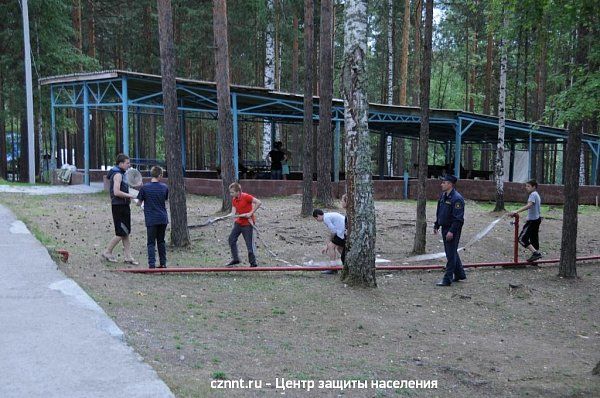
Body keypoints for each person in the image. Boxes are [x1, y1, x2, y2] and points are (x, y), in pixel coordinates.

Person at [102, 153, 139, 265]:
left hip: (124, 205)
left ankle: (128, 257)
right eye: (127, 163)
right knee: (121, 232)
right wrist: (130, 196)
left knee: (126, 232)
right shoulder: (117, 174)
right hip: (119, 206)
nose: (129, 165)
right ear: (121, 163)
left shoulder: (122, 173)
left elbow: (125, 187)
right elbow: (116, 192)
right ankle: (107, 252)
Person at [433, 174, 466, 286]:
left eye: (444, 182)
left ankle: (447, 279)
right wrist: (436, 224)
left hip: (452, 229)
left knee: (450, 254)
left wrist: (451, 231)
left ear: (450, 184)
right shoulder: (443, 196)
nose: (441, 184)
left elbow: (458, 219)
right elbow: (440, 212)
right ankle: (460, 274)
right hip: (444, 227)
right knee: (451, 252)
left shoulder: (457, 199)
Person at [136, 166, 169, 269]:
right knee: (161, 241)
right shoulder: (164, 187)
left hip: (151, 219)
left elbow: (139, 203)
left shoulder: (145, 187)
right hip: (163, 218)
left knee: (151, 242)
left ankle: (151, 264)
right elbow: (165, 199)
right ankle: (163, 263)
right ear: (159, 175)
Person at [227, 182, 262, 267]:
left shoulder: (246, 197)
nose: (231, 194)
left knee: (249, 245)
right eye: (230, 192)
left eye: (232, 192)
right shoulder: (234, 199)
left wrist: (250, 213)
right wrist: (229, 216)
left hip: (247, 224)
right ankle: (236, 259)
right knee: (231, 239)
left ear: (238, 191)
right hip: (239, 223)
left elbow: (258, 202)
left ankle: (253, 263)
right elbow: (233, 212)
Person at [510, 179, 543, 262]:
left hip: (533, 221)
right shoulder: (536, 194)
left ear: (534, 187)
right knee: (534, 238)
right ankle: (535, 257)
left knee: (521, 239)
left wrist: (516, 211)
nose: (526, 188)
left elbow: (529, 205)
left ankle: (536, 254)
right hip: (536, 219)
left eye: (528, 186)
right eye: (526, 186)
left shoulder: (533, 194)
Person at [313, 209, 346, 274]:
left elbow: (333, 232)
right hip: (344, 230)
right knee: (339, 248)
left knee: (331, 246)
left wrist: (327, 245)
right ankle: (347, 264)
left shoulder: (326, 218)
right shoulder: (328, 215)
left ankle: (333, 268)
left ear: (318, 216)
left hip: (342, 232)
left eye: (316, 218)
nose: (317, 220)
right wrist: (327, 245)